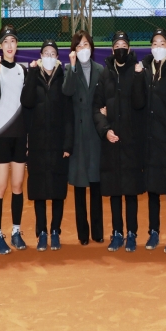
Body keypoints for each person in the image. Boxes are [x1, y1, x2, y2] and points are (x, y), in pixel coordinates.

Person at [132, 29, 166, 254]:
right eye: (155, 43)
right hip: (150, 141)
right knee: (152, 190)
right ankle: (153, 231)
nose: (158, 47)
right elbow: (138, 103)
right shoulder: (145, 69)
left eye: (163, 43)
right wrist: (137, 76)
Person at [93, 31, 145, 252]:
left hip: (131, 142)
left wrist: (139, 78)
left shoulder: (137, 71)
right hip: (111, 143)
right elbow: (97, 108)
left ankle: (132, 233)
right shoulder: (105, 74)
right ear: (112, 50)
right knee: (114, 191)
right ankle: (117, 232)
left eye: (124, 45)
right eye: (117, 46)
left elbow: (141, 104)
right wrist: (105, 130)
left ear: (129, 48)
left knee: (131, 191)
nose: (120, 49)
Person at [21, 40, 74, 252]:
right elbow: (26, 103)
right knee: (39, 190)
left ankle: (55, 231)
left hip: (58, 144)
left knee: (58, 190)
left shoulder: (64, 79)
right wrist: (32, 74)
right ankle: (41, 232)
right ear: (40, 56)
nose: (49, 56)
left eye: (53, 53)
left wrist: (68, 144)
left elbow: (69, 115)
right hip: (37, 143)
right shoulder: (32, 76)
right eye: (46, 53)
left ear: (58, 58)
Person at [0, 25, 27, 254]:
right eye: (5, 42)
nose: (10, 45)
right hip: (1, 135)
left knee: (18, 186)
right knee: (0, 187)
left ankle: (16, 231)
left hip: (19, 136)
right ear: (0, 46)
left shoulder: (22, 70)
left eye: (13, 41)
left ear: (16, 45)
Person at [63, 30, 105, 246]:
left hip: (96, 134)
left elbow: (107, 97)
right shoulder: (69, 70)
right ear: (73, 50)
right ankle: (83, 233)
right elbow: (67, 91)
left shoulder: (100, 70)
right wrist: (72, 66)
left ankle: (98, 231)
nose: (82, 49)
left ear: (92, 47)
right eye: (78, 46)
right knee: (79, 186)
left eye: (86, 44)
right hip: (78, 136)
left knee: (96, 184)